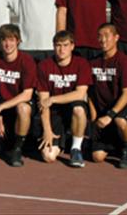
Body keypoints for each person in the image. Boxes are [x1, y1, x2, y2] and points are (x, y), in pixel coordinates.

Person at [37, 31, 92, 167]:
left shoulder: (81, 63)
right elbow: (43, 102)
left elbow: (80, 94)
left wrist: (53, 99)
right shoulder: (44, 66)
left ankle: (76, 148)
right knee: (48, 156)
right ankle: (62, 141)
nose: (61, 49)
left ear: (72, 46)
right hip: (54, 113)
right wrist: (47, 131)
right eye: (58, 45)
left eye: (65, 45)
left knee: (79, 109)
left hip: (72, 109)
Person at [0, 24, 37, 167]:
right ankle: (7, 141)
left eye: (11, 40)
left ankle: (18, 149)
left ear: (18, 41)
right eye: (4, 40)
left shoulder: (26, 61)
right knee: (0, 145)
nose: (8, 44)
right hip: (2, 110)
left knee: (23, 108)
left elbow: (27, 95)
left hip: (19, 108)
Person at [88, 23, 127, 169]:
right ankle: (114, 144)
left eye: (107, 36)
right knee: (97, 157)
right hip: (102, 112)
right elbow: (90, 92)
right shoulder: (93, 62)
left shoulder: (124, 62)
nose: (103, 40)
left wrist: (111, 115)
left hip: (120, 109)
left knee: (121, 121)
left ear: (116, 38)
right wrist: (93, 115)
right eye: (100, 36)